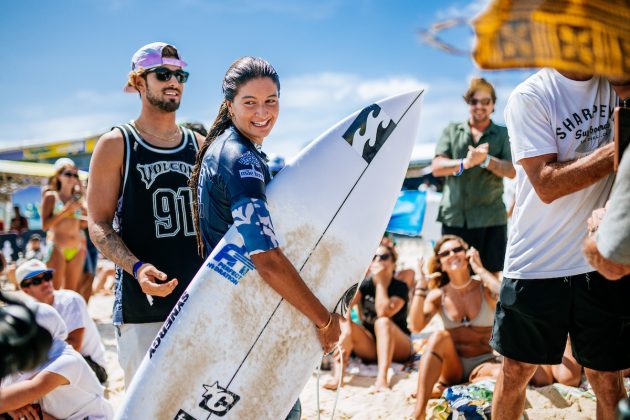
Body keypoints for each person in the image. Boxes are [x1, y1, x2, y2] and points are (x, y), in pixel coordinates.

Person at [189, 56, 341, 419]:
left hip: (227, 310)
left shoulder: (227, 147)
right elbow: (266, 258)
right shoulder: (240, 158)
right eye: (250, 102)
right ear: (230, 105)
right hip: (242, 318)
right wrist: (324, 320)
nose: (263, 112)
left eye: (271, 100)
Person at [491, 68, 630, 420]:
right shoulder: (531, 95)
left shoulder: (616, 83)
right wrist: (621, 146)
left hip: (598, 260)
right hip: (537, 262)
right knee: (514, 375)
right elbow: (546, 183)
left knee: (608, 380)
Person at [87, 41, 204, 387]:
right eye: (163, 74)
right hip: (143, 308)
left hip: (199, 301)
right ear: (138, 82)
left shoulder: (199, 145)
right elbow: (98, 223)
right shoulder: (117, 143)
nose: (175, 81)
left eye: (180, 74)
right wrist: (136, 268)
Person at [408, 235, 500, 419]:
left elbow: (505, 298)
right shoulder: (438, 295)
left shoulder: (484, 288)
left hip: (483, 363)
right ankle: (418, 412)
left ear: (466, 255)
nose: (452, 254)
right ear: (440, 263)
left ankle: (448, 389)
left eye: (457, 250)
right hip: (452, 365)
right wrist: (421, 286)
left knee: (503, 375)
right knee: (438, 337)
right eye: (445, 253)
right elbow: (415, 326)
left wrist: (480, 269)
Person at [431, 78, 515, 278]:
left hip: (491, 218)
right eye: (474, 101)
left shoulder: (503, 134)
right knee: (453, 276)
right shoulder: (451, 130)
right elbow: (437, 167)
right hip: (455, 217)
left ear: (493, 104)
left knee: (491, 277)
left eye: (485, 101)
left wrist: (485, 160)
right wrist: (465, 163)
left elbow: (512, 171)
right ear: (468, 103)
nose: (480, 106)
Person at [323, 243, 413, 392]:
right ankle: (338, 377)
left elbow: (384, 312)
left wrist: (381, 283)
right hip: (372, 347)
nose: (378, 260)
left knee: (382, 322)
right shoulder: (366, 285)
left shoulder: (400, 286)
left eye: (384, 257)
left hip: (400, 347)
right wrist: (347, 331)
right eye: (374, 257)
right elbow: (346, 307)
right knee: (345, 323)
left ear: (393, 263)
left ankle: (382, 380)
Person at [0, 302, 113, 419]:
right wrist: (10, 408)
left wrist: (10, 405)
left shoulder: (67, 360)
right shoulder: (23, 360)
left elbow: (31, 389)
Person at [17, 259, 108, 384]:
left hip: (92, 367)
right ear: (25, 289)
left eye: (47, 276)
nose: (45, 283)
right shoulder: (30, 311)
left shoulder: (70, 300)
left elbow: (74, 346)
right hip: (65, 364)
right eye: (37, 281)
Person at [41, 158, 87, 291]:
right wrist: (65, 211)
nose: (72, 177)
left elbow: (88, 218)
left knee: (71, 293)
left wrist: (82, 189)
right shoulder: (51, 196)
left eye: (75, 175)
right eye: (68, 174)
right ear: (58, 176)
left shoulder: (78, 198)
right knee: (53, 291)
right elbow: (45, 226)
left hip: (77, 248)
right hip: (57, 247)